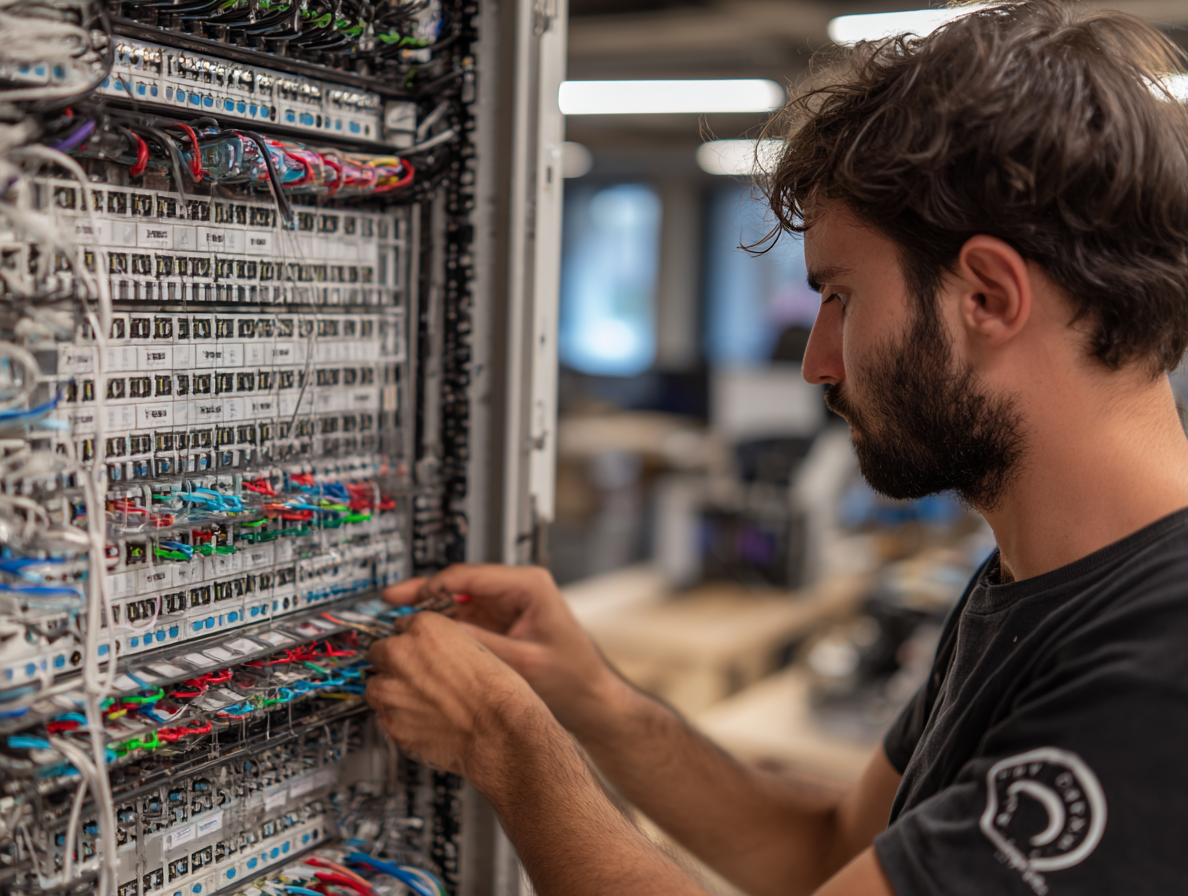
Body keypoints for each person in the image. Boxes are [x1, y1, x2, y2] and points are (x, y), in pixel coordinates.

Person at [365, 2, 1188, 893]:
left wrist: (508, 745)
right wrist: (589, 698)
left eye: (840, 297)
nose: (814, 362)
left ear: (987, 297)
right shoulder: (1037, 586)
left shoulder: (1162, 667)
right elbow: (827, 849)